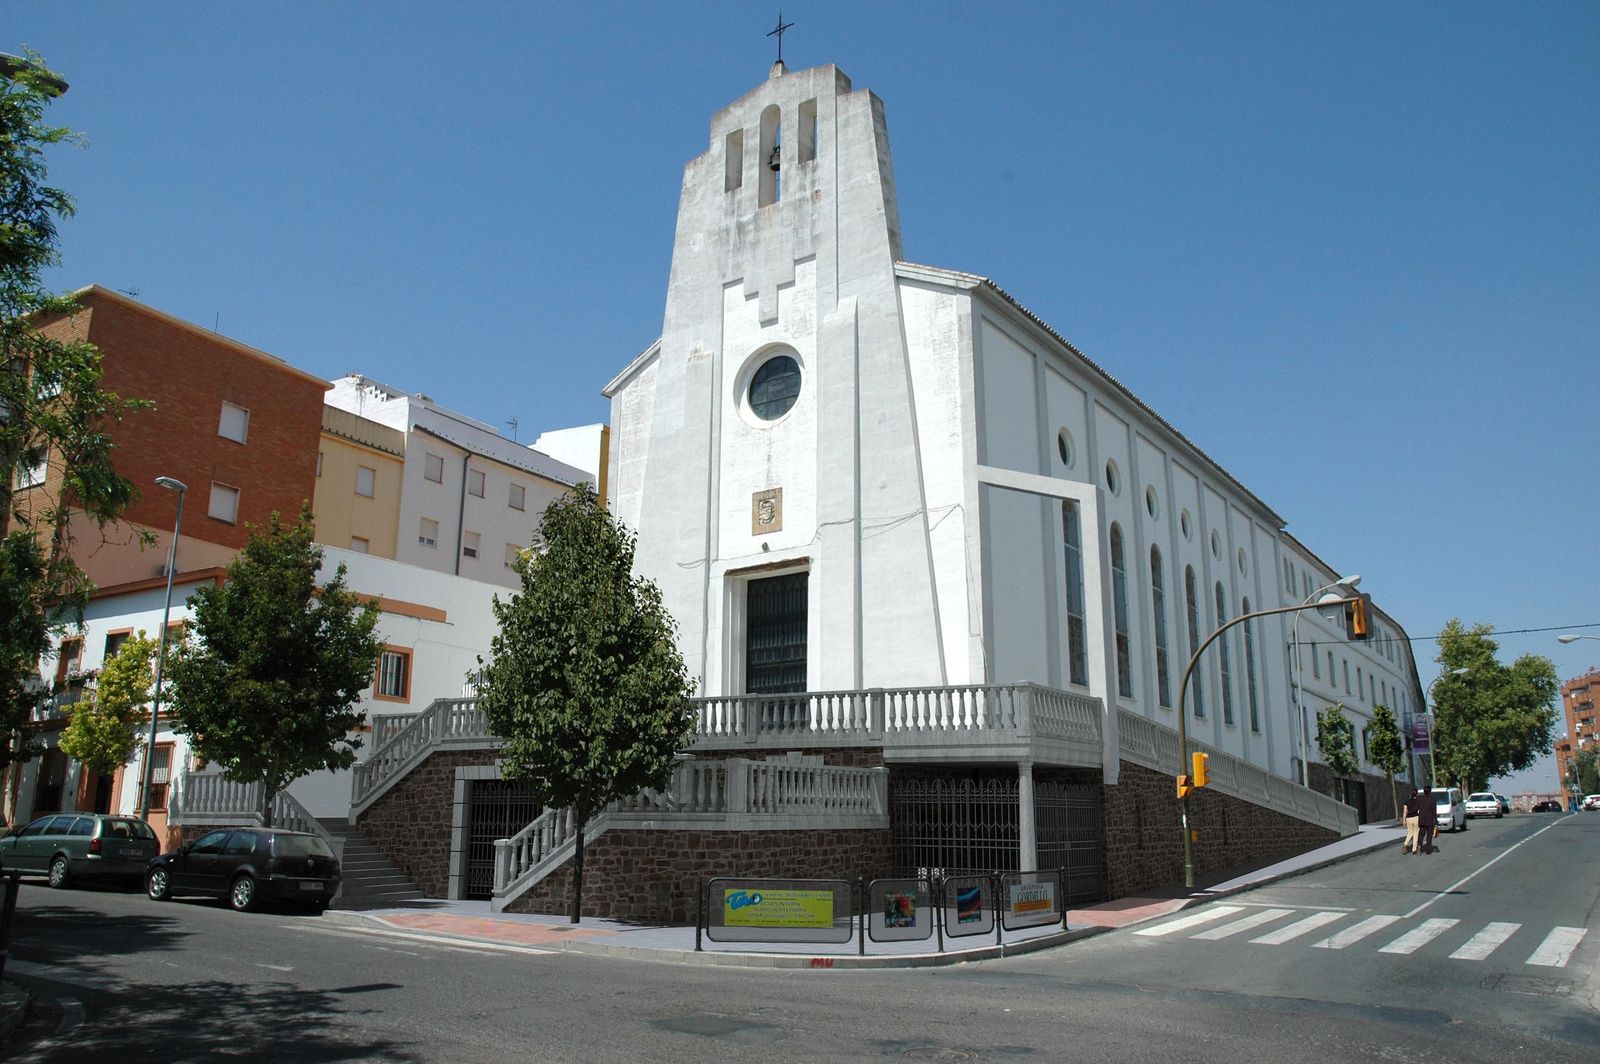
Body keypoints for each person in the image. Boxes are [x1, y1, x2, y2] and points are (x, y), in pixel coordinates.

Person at [1416, 786, 1438, 855]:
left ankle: (1419, 846)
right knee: (1429, 835)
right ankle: (1428, 849)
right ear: (1430, 791)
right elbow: (1434, 812)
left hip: (1421, 819)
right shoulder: (1432, 800)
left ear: (1424, 791)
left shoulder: (1419, 799)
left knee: (1421, 834)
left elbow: (1416, 808)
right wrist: (1436, 822)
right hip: (1429, 820)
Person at [1402, 788, 1421, 854]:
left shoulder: (1406, 801)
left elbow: (1405, 811)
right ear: (1417, 794)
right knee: (1416, 833)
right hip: (1416, 818)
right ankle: (1414, 849)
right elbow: (1420, 810)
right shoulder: (1418, 801)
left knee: (1410, 832)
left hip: (1408, 818)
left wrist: (1404, 820)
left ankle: (1405, 844)